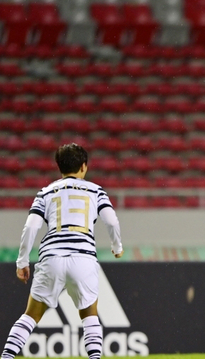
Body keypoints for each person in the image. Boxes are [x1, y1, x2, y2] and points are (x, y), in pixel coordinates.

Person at [1, 143, 123, 359]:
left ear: (59, 167)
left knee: (30, 316)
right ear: (84, 166)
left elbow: (30, 226)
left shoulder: (46, 192)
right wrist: (117, 246)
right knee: (90, 316)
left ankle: (6, 357)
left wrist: (22, 261)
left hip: (51, 258)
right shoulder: (96, 190)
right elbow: (111, 221)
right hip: (83, 258)